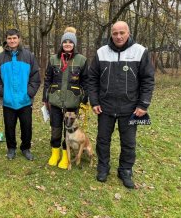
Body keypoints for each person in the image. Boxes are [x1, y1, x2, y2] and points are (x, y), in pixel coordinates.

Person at [88, 21, 155, 189]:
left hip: (131, 108)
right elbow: (92, 79)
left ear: (128, 33)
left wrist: (143, 104)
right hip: (105, 106)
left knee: (129, 142)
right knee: (103, 140)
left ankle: (125, 170)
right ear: (111, 34)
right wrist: (94, 101)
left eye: (122, 33)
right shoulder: (101, 52)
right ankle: (103, 167)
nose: (118, 36)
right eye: (115, 33)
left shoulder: (140, 51)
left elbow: (148, 80)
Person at [0, 29, 41, 161]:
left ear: (19, 39)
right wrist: (2, 92)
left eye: (14, 38)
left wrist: (29, 93)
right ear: (6, 40)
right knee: (9, 126)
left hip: (25, 101)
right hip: (8, 101)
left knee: (26, 127)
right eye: (9, 38)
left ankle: (26, 148)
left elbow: (35, 77)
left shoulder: (29, 56)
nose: (12, 41)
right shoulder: (0, 58)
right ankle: (11, 148)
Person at [42, 27, 88, 169]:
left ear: (74, 44)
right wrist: (45, 98)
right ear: (61, 44)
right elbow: (47, 79)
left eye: (70, 42)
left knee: (68, 129)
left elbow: (86, 81)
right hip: (55, 101)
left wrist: (84, 101)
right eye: (65, 42)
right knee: (55, 129)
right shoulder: (53, 59)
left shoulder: (82, 60)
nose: (67, 44)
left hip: (72, 103)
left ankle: (65, 155)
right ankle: (55, 153)